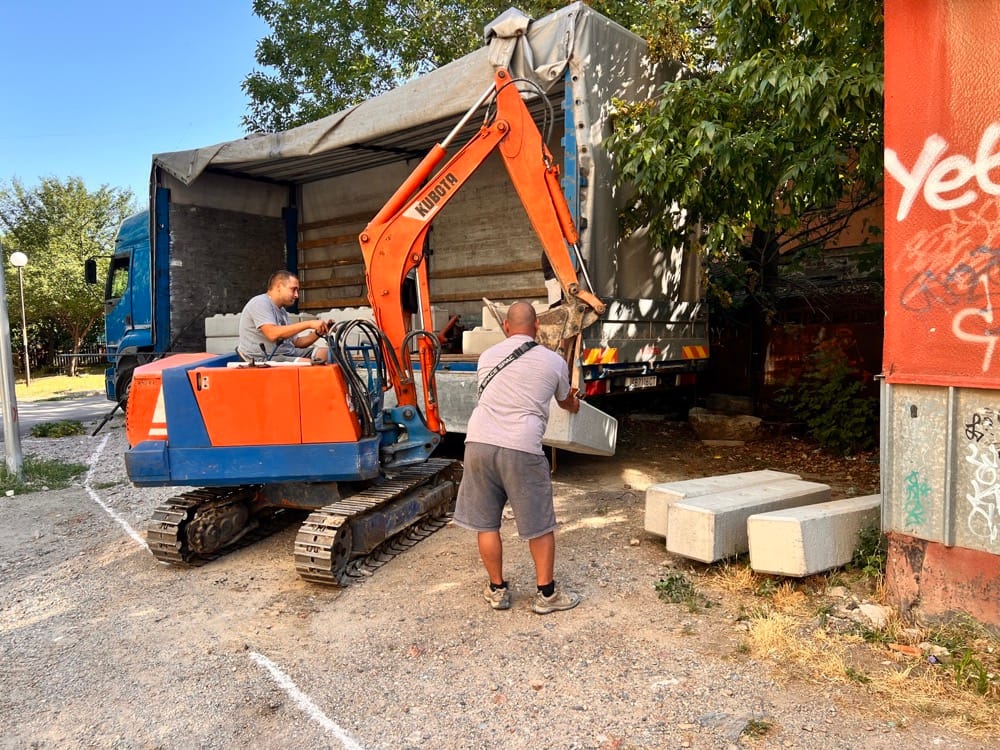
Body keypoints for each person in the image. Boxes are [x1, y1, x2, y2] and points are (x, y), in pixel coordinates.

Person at [453, 300, 583, 614]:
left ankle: (497, 590)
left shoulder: (486, 357)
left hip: (478, 443)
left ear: (506, 327)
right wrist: (574, 404)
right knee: (539, 524)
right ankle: (547, 595)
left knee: (486, 523)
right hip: (521, 447)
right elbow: (565, 402)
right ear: (537, 326)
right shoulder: (553, 361)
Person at [237, 270, 330, 362]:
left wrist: (319, 332)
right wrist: (309, 324)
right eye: (293, 289)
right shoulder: (260, 303)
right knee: (309, 364)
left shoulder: (282, 311)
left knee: (327, 353)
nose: (296, 295)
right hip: (264, 358)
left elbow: (297, 342)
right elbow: (272, 334)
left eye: (297, 290)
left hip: (287, 353)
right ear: (279, 287)